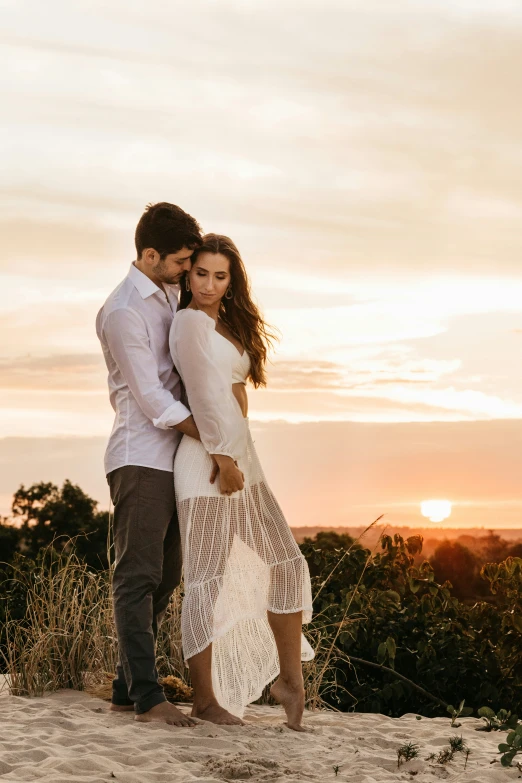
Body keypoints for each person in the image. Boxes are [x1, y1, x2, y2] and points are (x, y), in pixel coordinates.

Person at [169, 234, 314, 731]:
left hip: (241, 461)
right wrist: (223, 456)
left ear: (232, 282)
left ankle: (289, 680)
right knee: (206, 579)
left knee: (286, 562)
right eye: (201, 273)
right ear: (188, 276)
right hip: (207, 462)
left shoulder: (226, 324)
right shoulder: (188, 323)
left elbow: (234, 396)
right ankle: (205, 700)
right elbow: (204, 397)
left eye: (220, 276)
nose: (208, 284)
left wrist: (243, 456)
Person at [96, 202, 203, 726]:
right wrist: (213, 433)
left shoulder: (173, 296)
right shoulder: (123, 311)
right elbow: (152, 397)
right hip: (141, 457)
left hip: (177, 460)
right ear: (149, 254)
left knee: (166, 577)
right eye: (181, 260)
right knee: (136, 577)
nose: (188, 269)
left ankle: (123, 686)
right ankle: (146, 698)